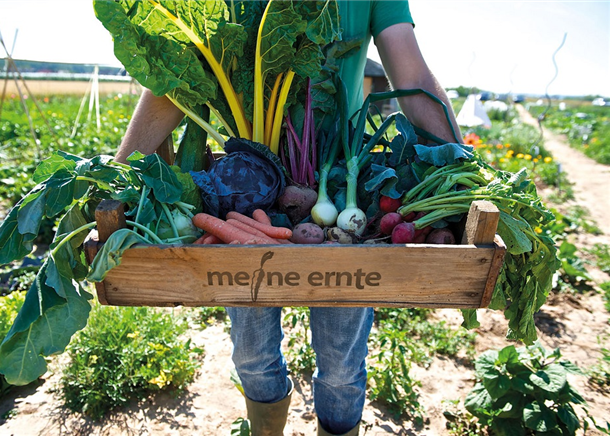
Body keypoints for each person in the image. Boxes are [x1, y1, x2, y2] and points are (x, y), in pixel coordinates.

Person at [115, 1, 462, 435]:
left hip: (334, 181)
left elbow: (412, 78)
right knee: (252, 356)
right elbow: (173, 77)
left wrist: (462, 166)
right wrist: (119, 177)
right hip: (244, 193)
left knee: (340, 364)